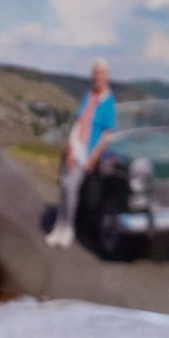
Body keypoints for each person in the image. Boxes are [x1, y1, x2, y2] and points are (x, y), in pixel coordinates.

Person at [45, 59, 116, 248]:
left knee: (70, 187)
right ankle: (58, 228)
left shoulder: (109, 101)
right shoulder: (89, 95)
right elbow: (78, 121)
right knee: (64, 187)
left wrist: (92, 158)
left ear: (106, 76)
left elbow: (107, 136)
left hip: (87, 152)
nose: (97, 77)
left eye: (100, 74)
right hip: (75, 146)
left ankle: (68, 228)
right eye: (95, 74)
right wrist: (69, 145)